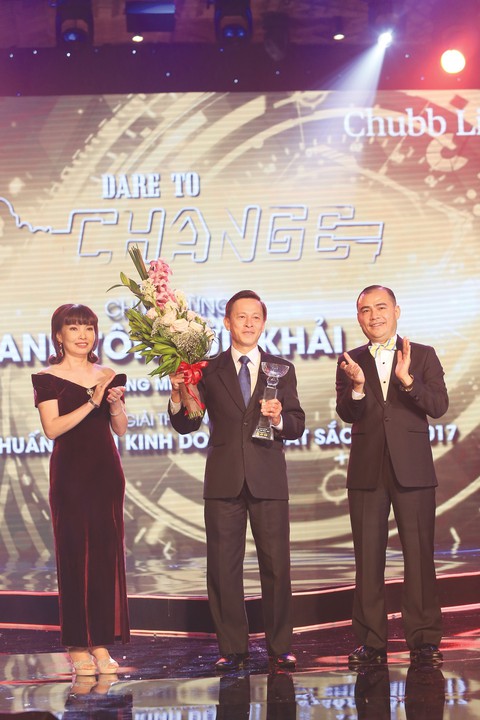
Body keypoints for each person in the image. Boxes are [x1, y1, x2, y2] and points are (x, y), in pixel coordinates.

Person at [168, 290, 305, 671]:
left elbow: (296, 424)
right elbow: (187, 423)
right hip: (224, 480)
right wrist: (178, 395)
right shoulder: (207, 370)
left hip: (268, 479)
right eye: (241, 317)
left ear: (264, 323)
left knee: (276, 566)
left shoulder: (281, 368)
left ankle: (280, 647)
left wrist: (278, 418)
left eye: (255, 317)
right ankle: (232, 648)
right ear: (227, 322)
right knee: (223, 567)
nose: (248, 323)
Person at [336, 285, 448, 668]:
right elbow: (347, 413)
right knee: (368, 558)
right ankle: (371, 641)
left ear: (397, 311)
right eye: (365, 310)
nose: (374, 316)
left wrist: (408, 381)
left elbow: (439, 405)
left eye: (381, 307)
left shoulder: (423, 355)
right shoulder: (350, 360)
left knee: (419, 556)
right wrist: (357, 387)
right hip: (366, 471)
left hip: (413, 469)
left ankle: (424, 640)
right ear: (358, 317)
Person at [31, 304, 130, 676]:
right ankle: (76, 646)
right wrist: (92, 401)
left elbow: (119, 428)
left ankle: (100, 643)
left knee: (105, 557)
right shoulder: (47, 378)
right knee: (74, 557)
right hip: (70, 476)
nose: (82, 335)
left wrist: (114, 405)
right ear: (59, 335)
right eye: (73, 328)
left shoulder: (106, 373)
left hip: (106, 474)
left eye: (88, 327)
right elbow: (52, 429)